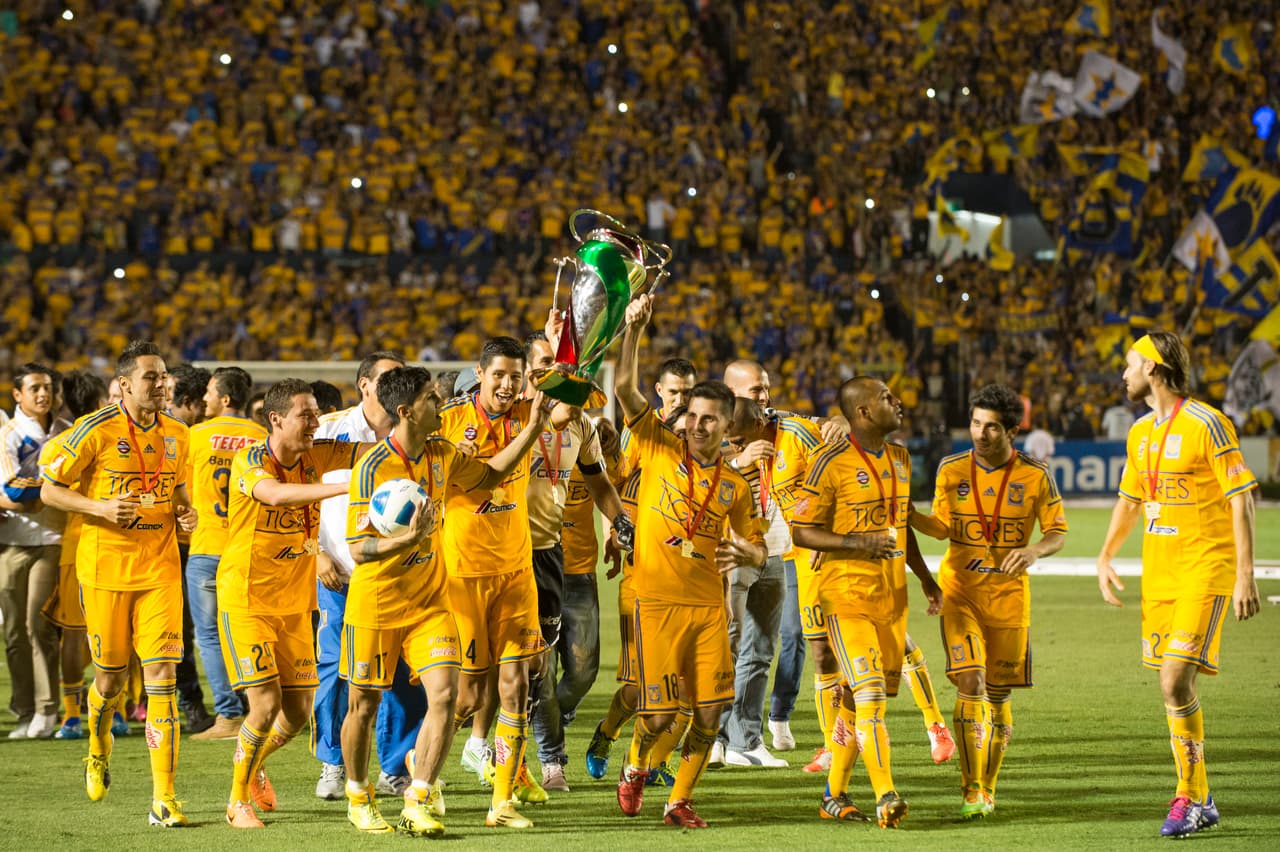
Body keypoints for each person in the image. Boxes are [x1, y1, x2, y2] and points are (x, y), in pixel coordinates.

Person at [339, 366, 551, 836]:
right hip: (376, 602)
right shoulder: (372, 467)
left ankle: (417, 799)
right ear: (406, 411)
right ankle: (357, 793)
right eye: (432, 399)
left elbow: (491, 476)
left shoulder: (441, 452)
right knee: (363, 706)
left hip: (429, 602)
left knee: (447, 695)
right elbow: (358, 549)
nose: (441, 404)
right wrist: (407, 540)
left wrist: (534, 428)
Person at [1096, 331, 1260, 839]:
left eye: (1129, 365)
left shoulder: (1208, 423)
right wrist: (1104, 555)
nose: (1123, 374)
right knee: (1174, 689)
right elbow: (1130, 500)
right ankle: (1202, 797)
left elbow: (1241, 498)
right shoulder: (1140, 432)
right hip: (1160, 575)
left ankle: (1189, 797)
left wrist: (1244, 574)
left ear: (1155, 367)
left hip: (1204, 568)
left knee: (1173, 681)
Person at [613, 294, 767, 829]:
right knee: (656, 715)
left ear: (727, 425)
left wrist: (749, 551)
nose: (697, 425)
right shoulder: (657, 445)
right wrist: (634, 330)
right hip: (655, 603)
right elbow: (624, 390)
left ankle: (678, 800)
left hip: (705, 609)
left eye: (709, 419)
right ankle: (634, 767)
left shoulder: (734, 486)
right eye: (693, 416)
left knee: (708, 714)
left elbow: (758, 546)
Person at [41, 340, 198, 827]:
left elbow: (175, 490)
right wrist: (99, 508)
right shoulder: (95, 429)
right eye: (151, 377)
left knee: (162, 682)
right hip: (106, 569)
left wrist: (184, 513)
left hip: (160, 570)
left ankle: (164, 798)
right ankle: (96, 744)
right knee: (108, 680)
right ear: (125, 385)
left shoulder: (179, 433)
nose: (161, 384)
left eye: (164, 375)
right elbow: (49, 488)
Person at [218, 379, 376, 829]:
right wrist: (343, 489)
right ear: (277, 419)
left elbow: (372, 455)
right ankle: (236, 803)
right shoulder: (250, 459)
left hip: (294, 602)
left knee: (298, 712)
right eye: (306, 415)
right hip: (247, 599)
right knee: (264, 705)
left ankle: (251, 765)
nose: (314, 422)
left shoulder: (316, 454)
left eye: (315, 414)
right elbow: (275, 495)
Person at [911, 382, 1068, 820]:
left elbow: (1057, 530)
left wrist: (1035, 550)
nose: (980, 434)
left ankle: (989, 787)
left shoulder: (1035, 475)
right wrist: (909, 515)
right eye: (976, 423)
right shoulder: (951, 468)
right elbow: (942, 527)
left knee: (998, 698)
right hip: (960, 592)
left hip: (1009, 600)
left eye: (991, 427)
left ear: (1012, 431)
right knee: (971, 683)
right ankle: (970, 787)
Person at [791, 377, 943, 828]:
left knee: (855, 705)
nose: (897, 402)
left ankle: (833, 795)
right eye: (886, 398)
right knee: (870, 694)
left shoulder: (900, 457)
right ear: (862, 412)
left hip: (890, 601)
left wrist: (927, 580)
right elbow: (802, 531)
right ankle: (885, 795)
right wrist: (856, 544)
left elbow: (901, 526)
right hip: (844, 596)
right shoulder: (828, 462)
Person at [438, 336, 574, 829]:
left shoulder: (528, 410)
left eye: (515, 376)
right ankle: (423, 770)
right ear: (479, 372)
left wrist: (575, 338)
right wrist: (531, 424)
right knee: (470, 697)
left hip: (517, 574)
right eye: (498, 374)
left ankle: (501, 801)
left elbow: (577, 393)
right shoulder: (449, 423)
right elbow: (485, 479)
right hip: (464, 576)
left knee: (518, 684)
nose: (507, 384)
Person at [311, 351, 423, 801]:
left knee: (405, 674)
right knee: (338, 672)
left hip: (399, 576)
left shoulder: (413, 432)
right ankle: (334, 764)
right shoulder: (328, 429)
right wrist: (315, 551)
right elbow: (300, 497)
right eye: (389, 378)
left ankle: (395, 767)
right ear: (364, 385)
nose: (398, 385)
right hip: (341, 573)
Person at [523, 332, 629, 793]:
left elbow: (600, 482)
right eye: (552, 366)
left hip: (565, 561)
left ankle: (536, 715)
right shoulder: (514, 424)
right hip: (519, 558)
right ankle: (552, 759)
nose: (567, 376)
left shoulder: (582, 427)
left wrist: (619, 520)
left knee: (583, 668)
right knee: (540, 666)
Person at [186, 367, 266, 741]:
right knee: (249, 628)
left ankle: (229, 716)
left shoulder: (196, 436)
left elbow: (177, 486)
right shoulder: (261, 436)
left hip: (206, 546)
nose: (204, 399)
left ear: (226, 398)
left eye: (210, 393)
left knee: (210, 636)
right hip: (249, 547)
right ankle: (260, 705)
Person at [37, 370, 108, 740]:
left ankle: (71, 716)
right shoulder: (110, 436)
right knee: (115, 634)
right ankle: (119, 711)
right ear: (99, 402)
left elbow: (48, 490)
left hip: (73, 547)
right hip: (111, 546)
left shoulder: (58, 445)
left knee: (75, 637)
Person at [0, 363, 66, 739]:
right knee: (13, 633)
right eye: (35, 388)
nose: (43, 394)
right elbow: (11, 491)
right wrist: (43, 492)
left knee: (37, 625)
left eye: (48, 387)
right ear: (18, 395)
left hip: (52, 540)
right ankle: (24, 710)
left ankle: (46, 709)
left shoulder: (66, 430)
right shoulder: (8, 434)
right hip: (12, 542)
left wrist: (31, 493)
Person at [163, 363, 215, 735]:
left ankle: (193, 704)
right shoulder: (179, 435)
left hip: (189, 545)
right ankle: (191, 702)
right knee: (185, 632)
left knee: (188, 632)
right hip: (182, 546)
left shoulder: (189, 436)